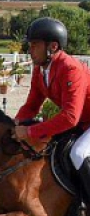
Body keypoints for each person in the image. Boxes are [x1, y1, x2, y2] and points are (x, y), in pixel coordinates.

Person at [13, 17, 90, 200]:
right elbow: (32, 105)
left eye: (34, 45)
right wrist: (14, 124)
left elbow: (70, 117)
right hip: (80, 122)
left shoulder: (70, 68)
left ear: (52, 47)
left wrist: (30, 131)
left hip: (83, 121)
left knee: (78, 154)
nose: (29, 50)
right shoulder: (40, 69)